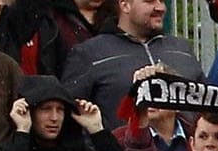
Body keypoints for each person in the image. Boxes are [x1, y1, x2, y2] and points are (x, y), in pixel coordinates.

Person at [59, 0, 204, 119]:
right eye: (150, 1)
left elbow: (206, 107)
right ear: (125, 5)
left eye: (162, 1)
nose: (160, 8)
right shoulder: (90, 53)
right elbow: (71, 115)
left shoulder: (182, 48)